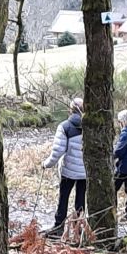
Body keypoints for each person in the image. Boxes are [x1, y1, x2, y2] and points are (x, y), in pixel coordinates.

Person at [41, 98, 87, 239]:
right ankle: (79, 231)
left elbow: (57, 152)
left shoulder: (65, 126)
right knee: (80, 200)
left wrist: (46, 164)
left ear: (70, 109)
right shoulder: (91, 126)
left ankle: (59, 228)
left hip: (68, 171)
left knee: (63, 198)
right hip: (85, 172)